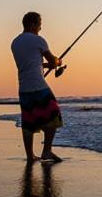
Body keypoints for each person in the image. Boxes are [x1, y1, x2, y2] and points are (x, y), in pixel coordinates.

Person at [11, 11, 64, 162]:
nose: (41, 27)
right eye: (39, 24)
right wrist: (57, 62)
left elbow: (32, 63)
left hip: (24, 88)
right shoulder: (38, 40)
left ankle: (30, 156)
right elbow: (52, 61)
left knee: (28, 122)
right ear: (33, 24)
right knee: (54, 115)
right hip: (38, 86)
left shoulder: (15, 42)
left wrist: (46, 65)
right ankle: (46, 151)